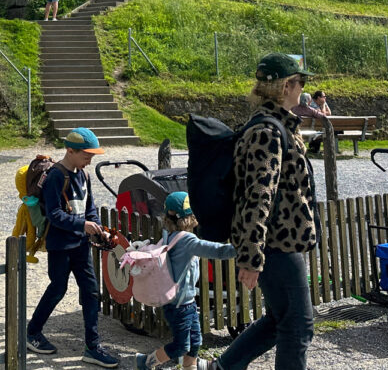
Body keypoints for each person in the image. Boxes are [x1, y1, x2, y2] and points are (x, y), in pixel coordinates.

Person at [212, 53, 318, 370]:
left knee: (278, 320)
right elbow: (257, 198)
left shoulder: (276, 125)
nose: (303, 88)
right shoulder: (267, 133)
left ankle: (222, 367)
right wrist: (251, 258)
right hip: (276, 245)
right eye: (300, 82)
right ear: (286, 86)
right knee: (298, 325)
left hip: (279, 243)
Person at [26, 128, 119, 368]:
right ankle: (32, 332)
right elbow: (54, 214)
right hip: (60, 245)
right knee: (58, 288)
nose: (90, 160)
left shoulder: (84, 175)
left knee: (91, 291)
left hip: (81, 244)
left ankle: (92, 347)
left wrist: (97, 228)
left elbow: (90, 208)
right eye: (86, 155)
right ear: (70, 151)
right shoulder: (56, 176)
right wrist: (82, 225)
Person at [135, 192, 235, 370]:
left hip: (183, 302)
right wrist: (240, 249)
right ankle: (146, 362)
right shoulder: (187, 240)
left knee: (195, 341)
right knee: (181, 346)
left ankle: (190, 367)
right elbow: (217, 251)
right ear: (190, 217)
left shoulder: (169, 235)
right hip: (180, 305)